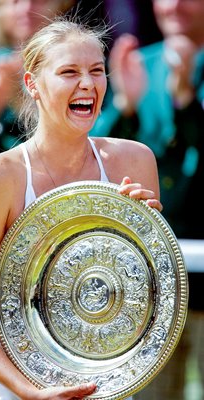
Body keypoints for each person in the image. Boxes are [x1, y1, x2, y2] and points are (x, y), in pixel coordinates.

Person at [0, 17, 162, 400]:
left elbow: (151, 295)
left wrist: (147, 238)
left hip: (108, 388)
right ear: (32, 85)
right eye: (68, 72)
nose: (88, 84)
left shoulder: (136, 161)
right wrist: (29, 391)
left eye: (97, 71)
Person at [89, 0, 204, 398]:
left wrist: (188, 100)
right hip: (149, 280)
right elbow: (95, 154)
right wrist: (125, 106)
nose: (174, 5)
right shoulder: (139, 63)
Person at [0, 0, 78, 178]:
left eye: (38, 1)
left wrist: (23, 103)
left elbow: (94, 143)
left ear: (59, 6)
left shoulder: (81, 65)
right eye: (14, 1)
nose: (26, 8)